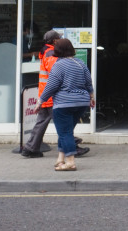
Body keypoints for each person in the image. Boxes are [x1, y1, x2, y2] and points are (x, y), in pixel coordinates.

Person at [22, 31, 88, 159]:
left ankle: (30, 148)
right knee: (64, 125)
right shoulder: (52, 54)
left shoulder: (46, 52)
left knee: (42, 123)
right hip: (53, 96)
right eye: (59, 38)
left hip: (46, 94)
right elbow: (57, 75)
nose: (61, 39)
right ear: (54, 41)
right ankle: (73, 148)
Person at [39, 37, 95, 171]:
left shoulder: (58, 65)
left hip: (64, 103)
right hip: (81, 103)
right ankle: (60, 158)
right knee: (66, 131)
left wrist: (40, 101)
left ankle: (70, 162)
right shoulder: (80, 63)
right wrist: (92, 97)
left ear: (57, 51)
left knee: (64, 132)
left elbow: (51, 86)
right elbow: (88, 82)